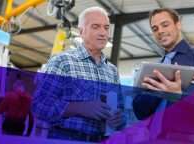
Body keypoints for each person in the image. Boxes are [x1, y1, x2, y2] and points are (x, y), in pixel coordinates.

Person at [32, 7, 125, 143]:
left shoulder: (112, 71)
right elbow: (39, 106)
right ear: (82, 31)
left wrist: (119, 118)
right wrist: (80, 108)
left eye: (106, 28)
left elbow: (121, 110)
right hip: (66, 138)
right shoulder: (63, 62)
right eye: (95, 27)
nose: (103, 33)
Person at [132, 8, 194, 143]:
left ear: (178, 25)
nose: (160, 31)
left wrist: (179, 95)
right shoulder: (153, 70)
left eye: (165, 25)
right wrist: (158, 91)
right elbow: (140, 112)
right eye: (155, 28)